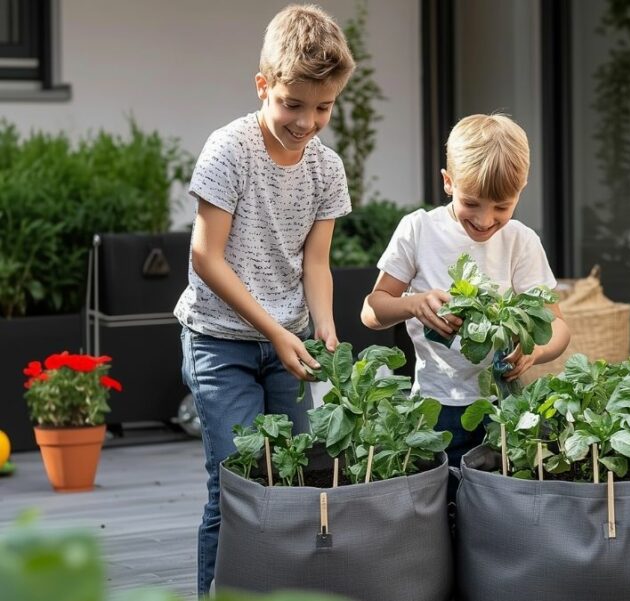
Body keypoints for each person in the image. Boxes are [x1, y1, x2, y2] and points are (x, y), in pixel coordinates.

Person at [173, 5, 355, 596]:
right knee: (237, 485)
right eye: (292, 104)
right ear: (263, 86)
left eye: (323, 107)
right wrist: (275, 330)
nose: (307, 122)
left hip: (289, 342)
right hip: (219, 340)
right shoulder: (229, 150)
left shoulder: (327, 169)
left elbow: (317, 263)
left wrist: (323, 328)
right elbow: (206, 257)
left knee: (292, 480)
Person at [361, 114, 572, 468]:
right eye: (471, 203)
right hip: (433, 406)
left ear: (521, 190)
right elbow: (372, 311)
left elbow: (559, 327)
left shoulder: (521, 242)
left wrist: (535, 350)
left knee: (496, 501)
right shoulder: (419, 231)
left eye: (502, 207)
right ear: (448, 182)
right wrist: (414, 304)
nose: (485, 220)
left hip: (503, 408)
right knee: (440, 503)